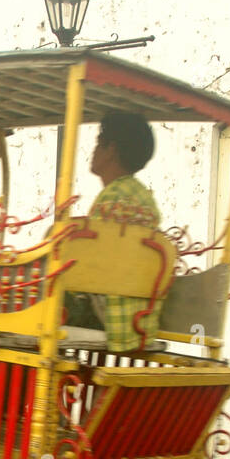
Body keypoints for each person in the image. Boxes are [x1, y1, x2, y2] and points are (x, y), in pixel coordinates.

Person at [64, 111, 166, 352]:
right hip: (138, 320)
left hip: (106, 317)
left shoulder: (111, 198)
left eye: (99, 142)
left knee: (5, 304)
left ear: (111, 149)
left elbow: (86, 266)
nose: (93, 150)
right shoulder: (144, 197)